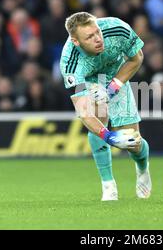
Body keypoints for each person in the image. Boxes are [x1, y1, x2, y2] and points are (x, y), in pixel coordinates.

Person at [59, 12, 150, 201]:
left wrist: (111, 89)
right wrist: (107, 136)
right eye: (89, 37)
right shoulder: (70, 62)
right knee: (97, 119)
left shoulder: (117, 28)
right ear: (76, 42)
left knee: (133, 142)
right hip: (91, 82)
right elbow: (83, 112)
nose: (98, 39)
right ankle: (108, 186)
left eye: (97, 32)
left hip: (117, 74)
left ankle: (142, 168)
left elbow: (137, 58)